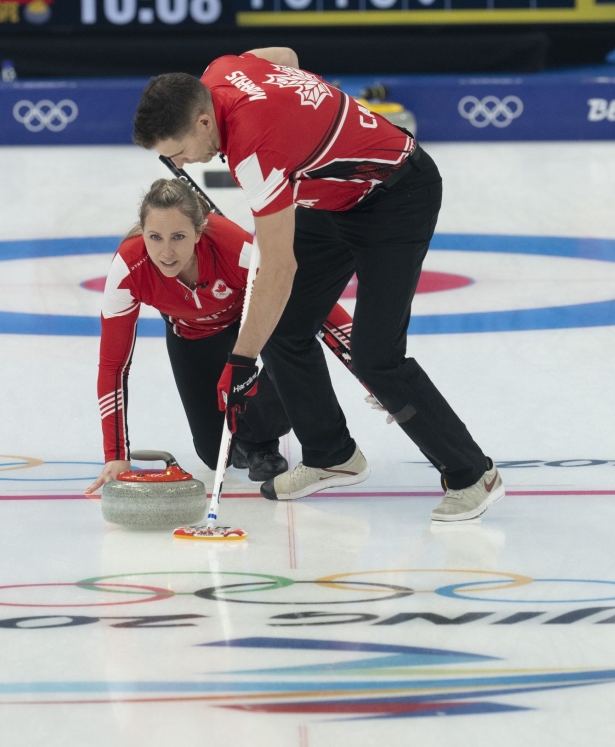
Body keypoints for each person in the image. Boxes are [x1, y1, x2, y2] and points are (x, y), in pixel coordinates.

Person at [131, 48, 504, 522]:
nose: (180, 164)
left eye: (179, 150)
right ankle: (332, 454)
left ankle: (474, 474)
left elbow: (278, 269)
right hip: (334, 199)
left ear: (205, 121)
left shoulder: (256, 153)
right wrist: (303, 117)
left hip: (397, 196)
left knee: (377, 355)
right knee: (287, 326)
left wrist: (241, 359)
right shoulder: (221, 71)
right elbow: (285, 56)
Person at [86, 178, 347, 494]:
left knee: (290, 348)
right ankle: (250, 442)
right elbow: (114, 366)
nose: (166, 252)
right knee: (214, 455)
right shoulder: (129, 268)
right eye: (155, 237)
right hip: (191, 336)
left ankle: (260, 440)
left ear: (198, 232)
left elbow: (309, 304)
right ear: (143, 232)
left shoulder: (232, 247)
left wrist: (368, 370)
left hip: (250, 326)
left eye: (179, 237)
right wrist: (115, 455)